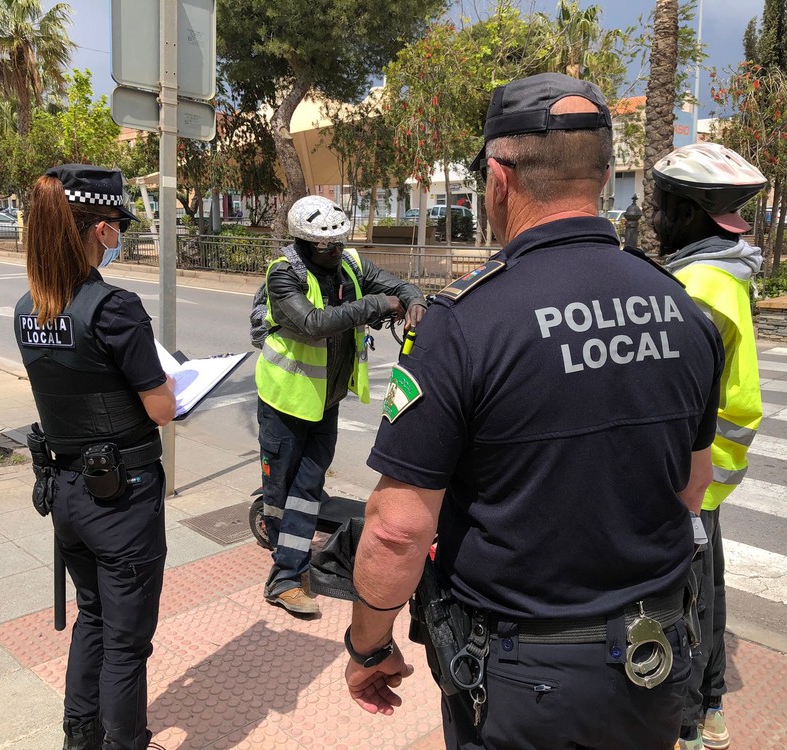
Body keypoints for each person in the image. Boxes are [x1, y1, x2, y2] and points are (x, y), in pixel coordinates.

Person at [342, 72, 725, 750]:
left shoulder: (463, 323)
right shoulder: (683, 310)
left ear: (498, 177)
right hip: (658, 659)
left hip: (528, 684)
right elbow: (693, 489)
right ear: (606, 175)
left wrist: (367, 645)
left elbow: (398, 530)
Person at [13, 164, 176, 750]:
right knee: (127, 643)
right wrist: (172, 387)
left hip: (67, 494)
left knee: (93, 618)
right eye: (117, 226)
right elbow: (160, 407)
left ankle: (79, 738)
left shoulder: (27, 309)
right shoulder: (114, 308)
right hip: (122, 498)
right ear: (102, 230)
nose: (119, 236)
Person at [256, 194, 426, 616]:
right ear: (304, 241)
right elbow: (314, 323)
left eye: (338, 243)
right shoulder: (283, 275)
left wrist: (414, 300)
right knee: (281, 492)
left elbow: (398, 285)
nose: (334, 252)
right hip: (284, 400)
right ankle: (284, 564)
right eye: (324, 246)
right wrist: (377, 304)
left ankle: (286, 574)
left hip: (325, 402)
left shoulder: (350, 264)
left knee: (308, 488)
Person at [652, 142, 767, 750]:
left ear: (692, 214)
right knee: (709, 590)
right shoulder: (726, 271)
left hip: (688, 474)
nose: (655, 218)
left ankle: (692, 722)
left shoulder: (694, 286)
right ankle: (711, 705)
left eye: (664, 205)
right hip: (714, 472)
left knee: (688, 601)